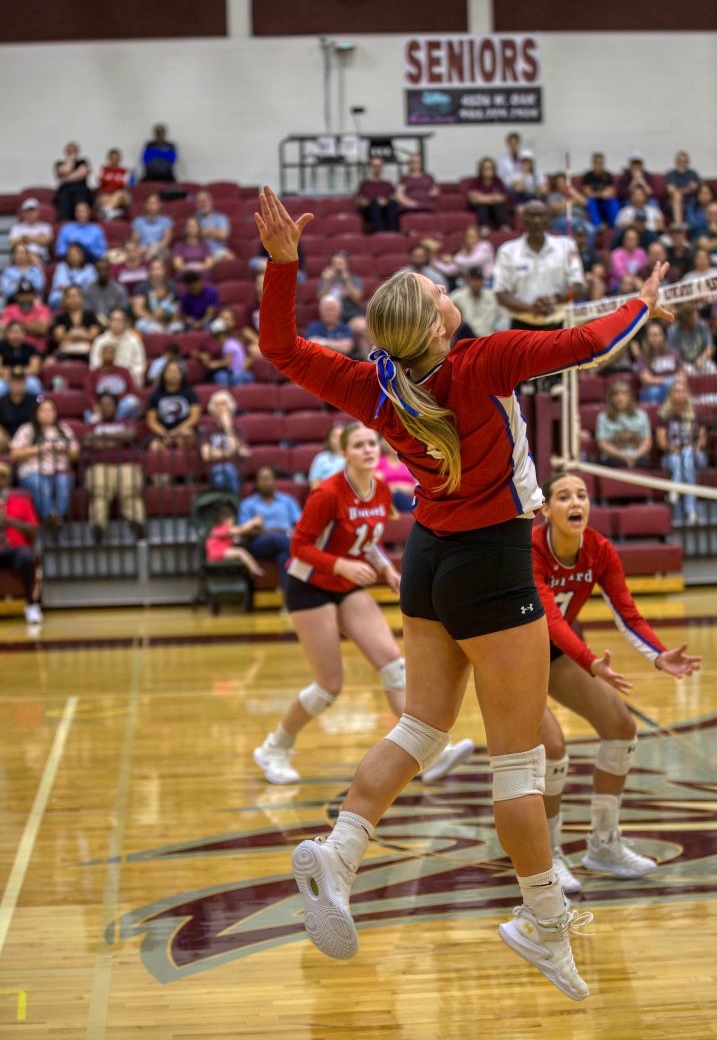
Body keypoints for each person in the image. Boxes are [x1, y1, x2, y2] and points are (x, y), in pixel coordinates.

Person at [254, 185, 672, 999]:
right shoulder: (484, 361)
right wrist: (641, 304)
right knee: (518, 765)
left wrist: (281, 266)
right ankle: (543, 923)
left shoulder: (378, 385)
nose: (449, 289)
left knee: (420, 727)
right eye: (439, 290)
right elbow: (588, 341)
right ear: (438, 324)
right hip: (492, 566)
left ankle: (340, 854)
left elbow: (280, 347)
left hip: (427, 561)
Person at [252, 422, 473, 785]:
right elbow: (299, 547)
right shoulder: (327, 493)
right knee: (328, 687)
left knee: (393, 668)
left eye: (372, 443)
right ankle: (274, 749)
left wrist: (386, 569)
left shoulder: (381, 491)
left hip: (346, 584)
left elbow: (367, 542)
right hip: (309, 586)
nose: (368, 449)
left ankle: (431, 753)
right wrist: (340, 564)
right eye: (358, 445)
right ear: (344, 453)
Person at [532, 472, 702, 893]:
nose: (576, 502)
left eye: (582, 495)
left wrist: (658, 655)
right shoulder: (530, 549)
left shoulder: (599, 550)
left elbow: (627, 613)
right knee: (553, 747)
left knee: (621, 729)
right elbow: (551, 621)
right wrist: (591, 663)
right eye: (564, 496)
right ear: (545, 509)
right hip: (511, 657)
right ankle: (548, 855)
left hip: (556, 655)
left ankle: (604, 845)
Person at [494, 201, 585, 331]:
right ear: (523, 220)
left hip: (559, 322)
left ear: (549, 220)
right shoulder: (507, 251)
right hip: (522, 324)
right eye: (531, 215)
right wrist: (532, 309)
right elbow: (501, 295)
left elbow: (579, 288)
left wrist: (554, 299)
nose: (536, 220)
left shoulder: (566, 245)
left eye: (541, 215)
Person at [82, 393, 146, 543]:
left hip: (127, 464)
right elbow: (87, 442)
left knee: (129, 490)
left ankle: (137, 523)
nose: (106, 408)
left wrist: (102, 439)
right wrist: (118, 440)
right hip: (98, 465)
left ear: (116, 408)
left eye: (110, 405)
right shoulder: (92, 426)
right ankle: (98, 527)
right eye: (103, 405)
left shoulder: (126, 422)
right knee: (100, 491)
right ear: (98, 408)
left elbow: (130, 435)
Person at [11, 397, 79, 535]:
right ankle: (52, 519)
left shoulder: (63, 429)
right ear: (36, 413)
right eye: (43, 410)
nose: (47, 413)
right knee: (40, 485)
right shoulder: (27, 429)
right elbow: (14, 454)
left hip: (60, 470)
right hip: (33, 471)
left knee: (64, 483)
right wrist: (38, 449)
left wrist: (63, 448)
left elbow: (75, 454)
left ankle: (54, 519)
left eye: (50, 410)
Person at [236, 466, 300, 592]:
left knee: (283, 556)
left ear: (275, 481)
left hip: (286, 542)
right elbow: (244, 531)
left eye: (268, 478)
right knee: (276, 538)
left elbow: (300, 524)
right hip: (260, 544)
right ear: (256, 483)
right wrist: (273, 531)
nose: (266, 482)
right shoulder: (248, 504)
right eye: (262, 479)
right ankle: (300, 552)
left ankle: (288, 596)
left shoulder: (287, 501)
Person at [656, 374, 707, 523]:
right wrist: (675, 449)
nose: (679, 394)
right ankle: (691, 512)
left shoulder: (696, 414)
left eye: (682, 391)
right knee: (680, 461)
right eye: (676, 391)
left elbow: (702, 439)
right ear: (670, 395)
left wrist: (694, 447)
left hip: (696, 455)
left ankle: (675, 490)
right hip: (671, 456)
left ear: (688, 394)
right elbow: (661, 442)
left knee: (688, 454)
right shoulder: (664, 415)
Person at [0, 459, 42, 625]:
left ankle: (31, 604)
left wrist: (9, 522)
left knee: (26, 557)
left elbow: (34, 530)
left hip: (15, 549)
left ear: (8, 480)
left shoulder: (22, 501)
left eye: (2, 477)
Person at [316, 251, 367, 354]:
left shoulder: (353, 279)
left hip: (350, 317)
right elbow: (320, 298)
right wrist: (327, 281)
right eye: (335, 263)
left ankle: (367, 359)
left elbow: (357, 298)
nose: (338, 267)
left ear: (347, 265)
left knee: (365, 327)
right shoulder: (326, 279)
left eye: (341, 263)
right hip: (331, 318)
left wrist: (348, 281)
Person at [595, 379, 652, 469]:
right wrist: (623, 456)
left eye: (624, 394)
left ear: (630, 397)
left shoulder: (642, 415)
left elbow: (647, 442)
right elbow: (603, 444)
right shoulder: (602, 417)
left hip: (639, 458)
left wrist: (636, 456)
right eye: (616, 394)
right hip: (613, 459)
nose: (620, 398)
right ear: (610, 398)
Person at [200, 388, 249, 494]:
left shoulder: (238, 429)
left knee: (224, 475)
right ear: (212, 410)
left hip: (235, 470)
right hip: (214, 469)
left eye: (223, 404)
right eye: (217, 405)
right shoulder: (206, 430)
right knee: (222, 473)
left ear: (230, 407)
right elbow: (206, 455)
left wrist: (228, 428)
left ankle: (225, 502)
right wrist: (231, 452)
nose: (221, 408)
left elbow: (238, 449)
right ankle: (235, 501)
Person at [146, 357, 201, 450]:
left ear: (182, 375)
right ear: (163, 374)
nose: (173, 374)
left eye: (176, 372)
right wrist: (165, 434)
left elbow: (194, 417)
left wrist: (176, 432)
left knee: (187, 438)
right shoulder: (156, 395)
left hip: (184, 430)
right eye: (170, 371)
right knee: (155, 447)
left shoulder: (189, 393)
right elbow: (151, 421)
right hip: (162, 432)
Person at [89, 307, 146, 387]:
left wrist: (125, 377)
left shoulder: (134, 341)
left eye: (119, 320)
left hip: (128, 381)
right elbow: (94, 365)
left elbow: (139, 365)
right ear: (109, 322)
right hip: (105, 381)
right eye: (113, 320)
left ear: (126, 323)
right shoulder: (100, 341)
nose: (116, 323)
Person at [85, 341, 142, 420]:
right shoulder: (93, 374)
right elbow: (89, 393)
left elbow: (131, 390)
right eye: (106, 352)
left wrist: (114, 405)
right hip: (101, 406)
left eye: (111, 352)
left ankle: (117, 423)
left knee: (132, 402)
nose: (109, 355)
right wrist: (95, 406)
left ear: (115, 355)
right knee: (88, 414)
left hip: (120, 405)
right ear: (101, 355)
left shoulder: (124, 371)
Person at [205, 503, 265, 576]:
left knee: (240, 551)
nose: (233, 522)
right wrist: (253, 522)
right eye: (231, 519)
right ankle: (254, 569)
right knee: (241, 552)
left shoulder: (217, 529)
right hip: (217, 551)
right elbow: (241, 530)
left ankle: (252, 569)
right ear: (224, 519)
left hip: (219, 551)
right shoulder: (222, 528)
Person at [632, 319, 680, 404]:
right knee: (655, 391)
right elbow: (647, 379)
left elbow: (681, 374)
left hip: (673, 387)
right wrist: (668, 380)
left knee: (680, 390)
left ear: (663, 336)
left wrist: (674, 381)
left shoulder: (673, 353)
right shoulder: (642, 357)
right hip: (652, 390)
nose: (655, 338)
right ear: (647, 338)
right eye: (651, 335)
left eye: (657, 335)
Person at [451, 267, 507, 339]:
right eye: (473, 279)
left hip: (488, 338)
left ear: (483, 280)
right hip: (467, 338)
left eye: (479, 279)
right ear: (468, 280)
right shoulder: (456, 297)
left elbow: (501, 319)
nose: (476, 283)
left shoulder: (493, 297)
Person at [206, 307, 254, 387]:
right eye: (222, 319)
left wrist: (213, 364)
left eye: (227, 319)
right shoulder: (211, 338)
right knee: (222, 376)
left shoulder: (233, 342)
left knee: (236, 377)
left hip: (237, 372)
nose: (224, 322)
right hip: (223, 372)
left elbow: (228, 362)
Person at [1, 281, 52, 357]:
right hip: (11, 352)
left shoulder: (42, 309)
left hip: (37, 352)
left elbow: (42, 329)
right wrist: (32, 326)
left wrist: (16, 327)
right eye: (22, 295)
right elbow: (5, 330)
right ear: (17, 296)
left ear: (34, 295)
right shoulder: (9, 310)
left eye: (28, 294)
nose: (26, 298)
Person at [131, 257, 181, 334]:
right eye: (153, 269)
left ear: (164, 270)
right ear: (149, 271)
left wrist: (171, 319)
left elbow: (177, 307)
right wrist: (155, 319)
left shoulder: (171, 286)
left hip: (169, 321)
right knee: (140, 324)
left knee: (178, 326)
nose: (156, 272)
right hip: (150, 321)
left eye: (159, 269)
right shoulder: (142, 288)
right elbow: (138, 310)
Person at [51, 286, 101, 361]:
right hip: (66, 350)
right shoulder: (60, 317)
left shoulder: (90, 316)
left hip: (86, 350)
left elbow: (94, 334)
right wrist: (82, 335)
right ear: (65, 300)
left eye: (75, 296)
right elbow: (59, 336)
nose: (72, 299)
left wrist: (71, 335)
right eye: (69, 297)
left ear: (81, 298)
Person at [355, 156, 399, 233]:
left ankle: (392, 233)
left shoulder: (387, 184)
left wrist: (385, 202)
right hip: (371, 210)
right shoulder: (365, 184)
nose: (377, 168)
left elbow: (394, 198)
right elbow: (360, 202)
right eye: (374, 166)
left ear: (382, 167)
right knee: (374, 204)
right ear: (370, 167)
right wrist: (375, 202)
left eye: (379, 166)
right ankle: (380, 233)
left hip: (386, 209)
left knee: (392, 204)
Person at [465, 157, 509, 233]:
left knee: (499, 206)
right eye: (486, 168)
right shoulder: (476, 182)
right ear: (481, 170)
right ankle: (484, 228)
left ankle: (504, 226)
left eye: (491, 168)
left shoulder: (498, 181)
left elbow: (503, 198)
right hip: (480, 209)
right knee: (482, 206)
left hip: (494, 208)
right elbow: (473, 198)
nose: (489, 171)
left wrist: (483, 198)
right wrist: (493, 197)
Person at [667, 305, 715, 373]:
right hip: (684, 364)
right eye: (693, 318)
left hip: (702, 360)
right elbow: (674, 355)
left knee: (712, 368)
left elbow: (710, 348)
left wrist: (702, 359)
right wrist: (681, 367)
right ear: (685, 319)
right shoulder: (673, 331)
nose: (697, 319)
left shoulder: (702, 325)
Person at [82, 257, 129, 326]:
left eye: (104, 269)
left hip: (115, 323)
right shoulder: (88, 289)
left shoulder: (118, 288)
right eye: (99, 270)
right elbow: (86, 310)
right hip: (94, 323)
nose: (102, 273)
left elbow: (124, 308)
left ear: (109, 270)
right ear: (96, 271)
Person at [0, 368, 39, 453]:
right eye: (14, 382)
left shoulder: (35, 399)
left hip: (29, 439)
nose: (17, 385)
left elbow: (41, 413)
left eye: (20, 382)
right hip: (7, 439)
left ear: (25, 383)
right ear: (8, 383)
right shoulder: (1, 401)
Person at [49, 243, 97, 310]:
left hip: (83, 298)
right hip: (62, 297)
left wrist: (76, 295)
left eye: (76, 255)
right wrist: (73, 295)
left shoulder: (89, 269)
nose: (73, 258)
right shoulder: (62, 267)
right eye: (70, 255)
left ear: (82, 255)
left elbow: (91, 288)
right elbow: (62, 286)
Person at [0, 324, 43, 396]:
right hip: (6, 378)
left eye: (18, 332)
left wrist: (20, 374)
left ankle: (40, 402)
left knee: (34, 385)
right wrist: (11, 374)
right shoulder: (1, 347)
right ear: (7, 333)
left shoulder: (31, 348)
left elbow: (35, 369)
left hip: (26, 377)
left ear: (24, 334)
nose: (15, 335)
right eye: (13, 332)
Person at [580, 152, 620, 229]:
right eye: (597, 163)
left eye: (600, 163)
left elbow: (610, 192)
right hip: (594, 202)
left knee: (613, 201)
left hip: (605, 202)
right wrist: (601, 194)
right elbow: (588, 193)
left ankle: (614, 226)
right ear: (593, 164)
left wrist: (596, 194)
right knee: (590, 201)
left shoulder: (608, 175)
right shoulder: (588, 176)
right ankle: (598, 226)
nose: (599, 165)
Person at [54, 142, 91, 221]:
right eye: (70, 151)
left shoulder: (82, 162)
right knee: (63, 200)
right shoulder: (59, 163)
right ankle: (64, 222)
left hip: (80, 190)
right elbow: (65, 170)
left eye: (74, 151)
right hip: (65, 191)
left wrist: (65, 179)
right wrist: (71, 159)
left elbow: (82, 173)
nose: (72, 153)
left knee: (80, 200)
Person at [375, 438, 416, 510]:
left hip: (408, 500)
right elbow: (378, 487)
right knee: (397, 496)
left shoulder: (410, 463)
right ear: (386, 444)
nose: (395, 446)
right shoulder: (379, 463)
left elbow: (418, 489)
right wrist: (399, 487)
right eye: (392, 443)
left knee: (400, 497)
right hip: (387, 500)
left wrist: (397, 487)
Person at [94, 148, 134, 220]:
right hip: (106, 193)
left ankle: (105, 211)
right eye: (112, 158)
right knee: (104, 197)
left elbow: (124, 183)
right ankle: (111, 213)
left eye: (116, 158)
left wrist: (109, 182)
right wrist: (114, 182)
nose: (114, 160)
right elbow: (99, 180)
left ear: (119, 159)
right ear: (109, 159)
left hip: (121, 194)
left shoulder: (124, 171)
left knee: (118, 194)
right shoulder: (103, 169)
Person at [9, 198, 53, 263]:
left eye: (33, 211)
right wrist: (36, 238)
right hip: (21, 255)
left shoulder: (45, 226)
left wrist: (24, 238)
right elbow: (13, 242)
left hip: (40, 256)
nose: (30, 214)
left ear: (38, 212)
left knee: (31, 256)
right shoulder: (17, 227)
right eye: (28, 211)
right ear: (23, 213)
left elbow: (45, 241)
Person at [194, 191, 234, 262]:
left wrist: (204, 232)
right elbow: (191, 235)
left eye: (204, 201)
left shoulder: (221, 218)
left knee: (229, 257)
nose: (202, 204)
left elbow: (223, 235)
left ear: (211, 201)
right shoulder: (193, 218)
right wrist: (214, 232)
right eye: (199, 201)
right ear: (196, 204)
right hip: (198, 251)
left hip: (217, 251)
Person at [131, 194, 173, 259]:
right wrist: (135, 248)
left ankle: (145, 261)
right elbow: (135, 240)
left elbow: (166, 240)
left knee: (154, 249)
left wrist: (150, 248)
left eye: (154, 203)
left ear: (159, 205)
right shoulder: (138, 221)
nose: (151, 206)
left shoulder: (166, 220)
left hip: (160, 249)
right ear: (145, 205)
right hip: (142, 249)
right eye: (149, 203)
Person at [664, 151, 700, 225]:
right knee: (677, 195)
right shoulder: (670, 174)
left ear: (688, 163)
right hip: (672, 204)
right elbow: (671, 191)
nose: (681, 164)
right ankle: (678, 224)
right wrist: (687, 189)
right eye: (679, 161)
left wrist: (680, 190)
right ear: (676, 162)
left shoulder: (693, 174)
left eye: (684, 162)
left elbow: (696, 188)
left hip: (691, 202)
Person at [608, 227, 647, 293]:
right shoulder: (617, 254)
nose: (632, 241)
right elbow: (620, 273)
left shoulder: (641, 252)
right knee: (627, 284)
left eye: (634, 239)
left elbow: (645, 269)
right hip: (619, 282)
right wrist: (634, 280)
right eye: (629, 239)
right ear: (624, 240)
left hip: (638, 280)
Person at [307, 422, 346, 489]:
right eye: (335, 436)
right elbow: (314, 484)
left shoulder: (352, 458)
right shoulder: (320, 458)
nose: (338, 440)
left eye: (341, 436)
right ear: (329, 439)